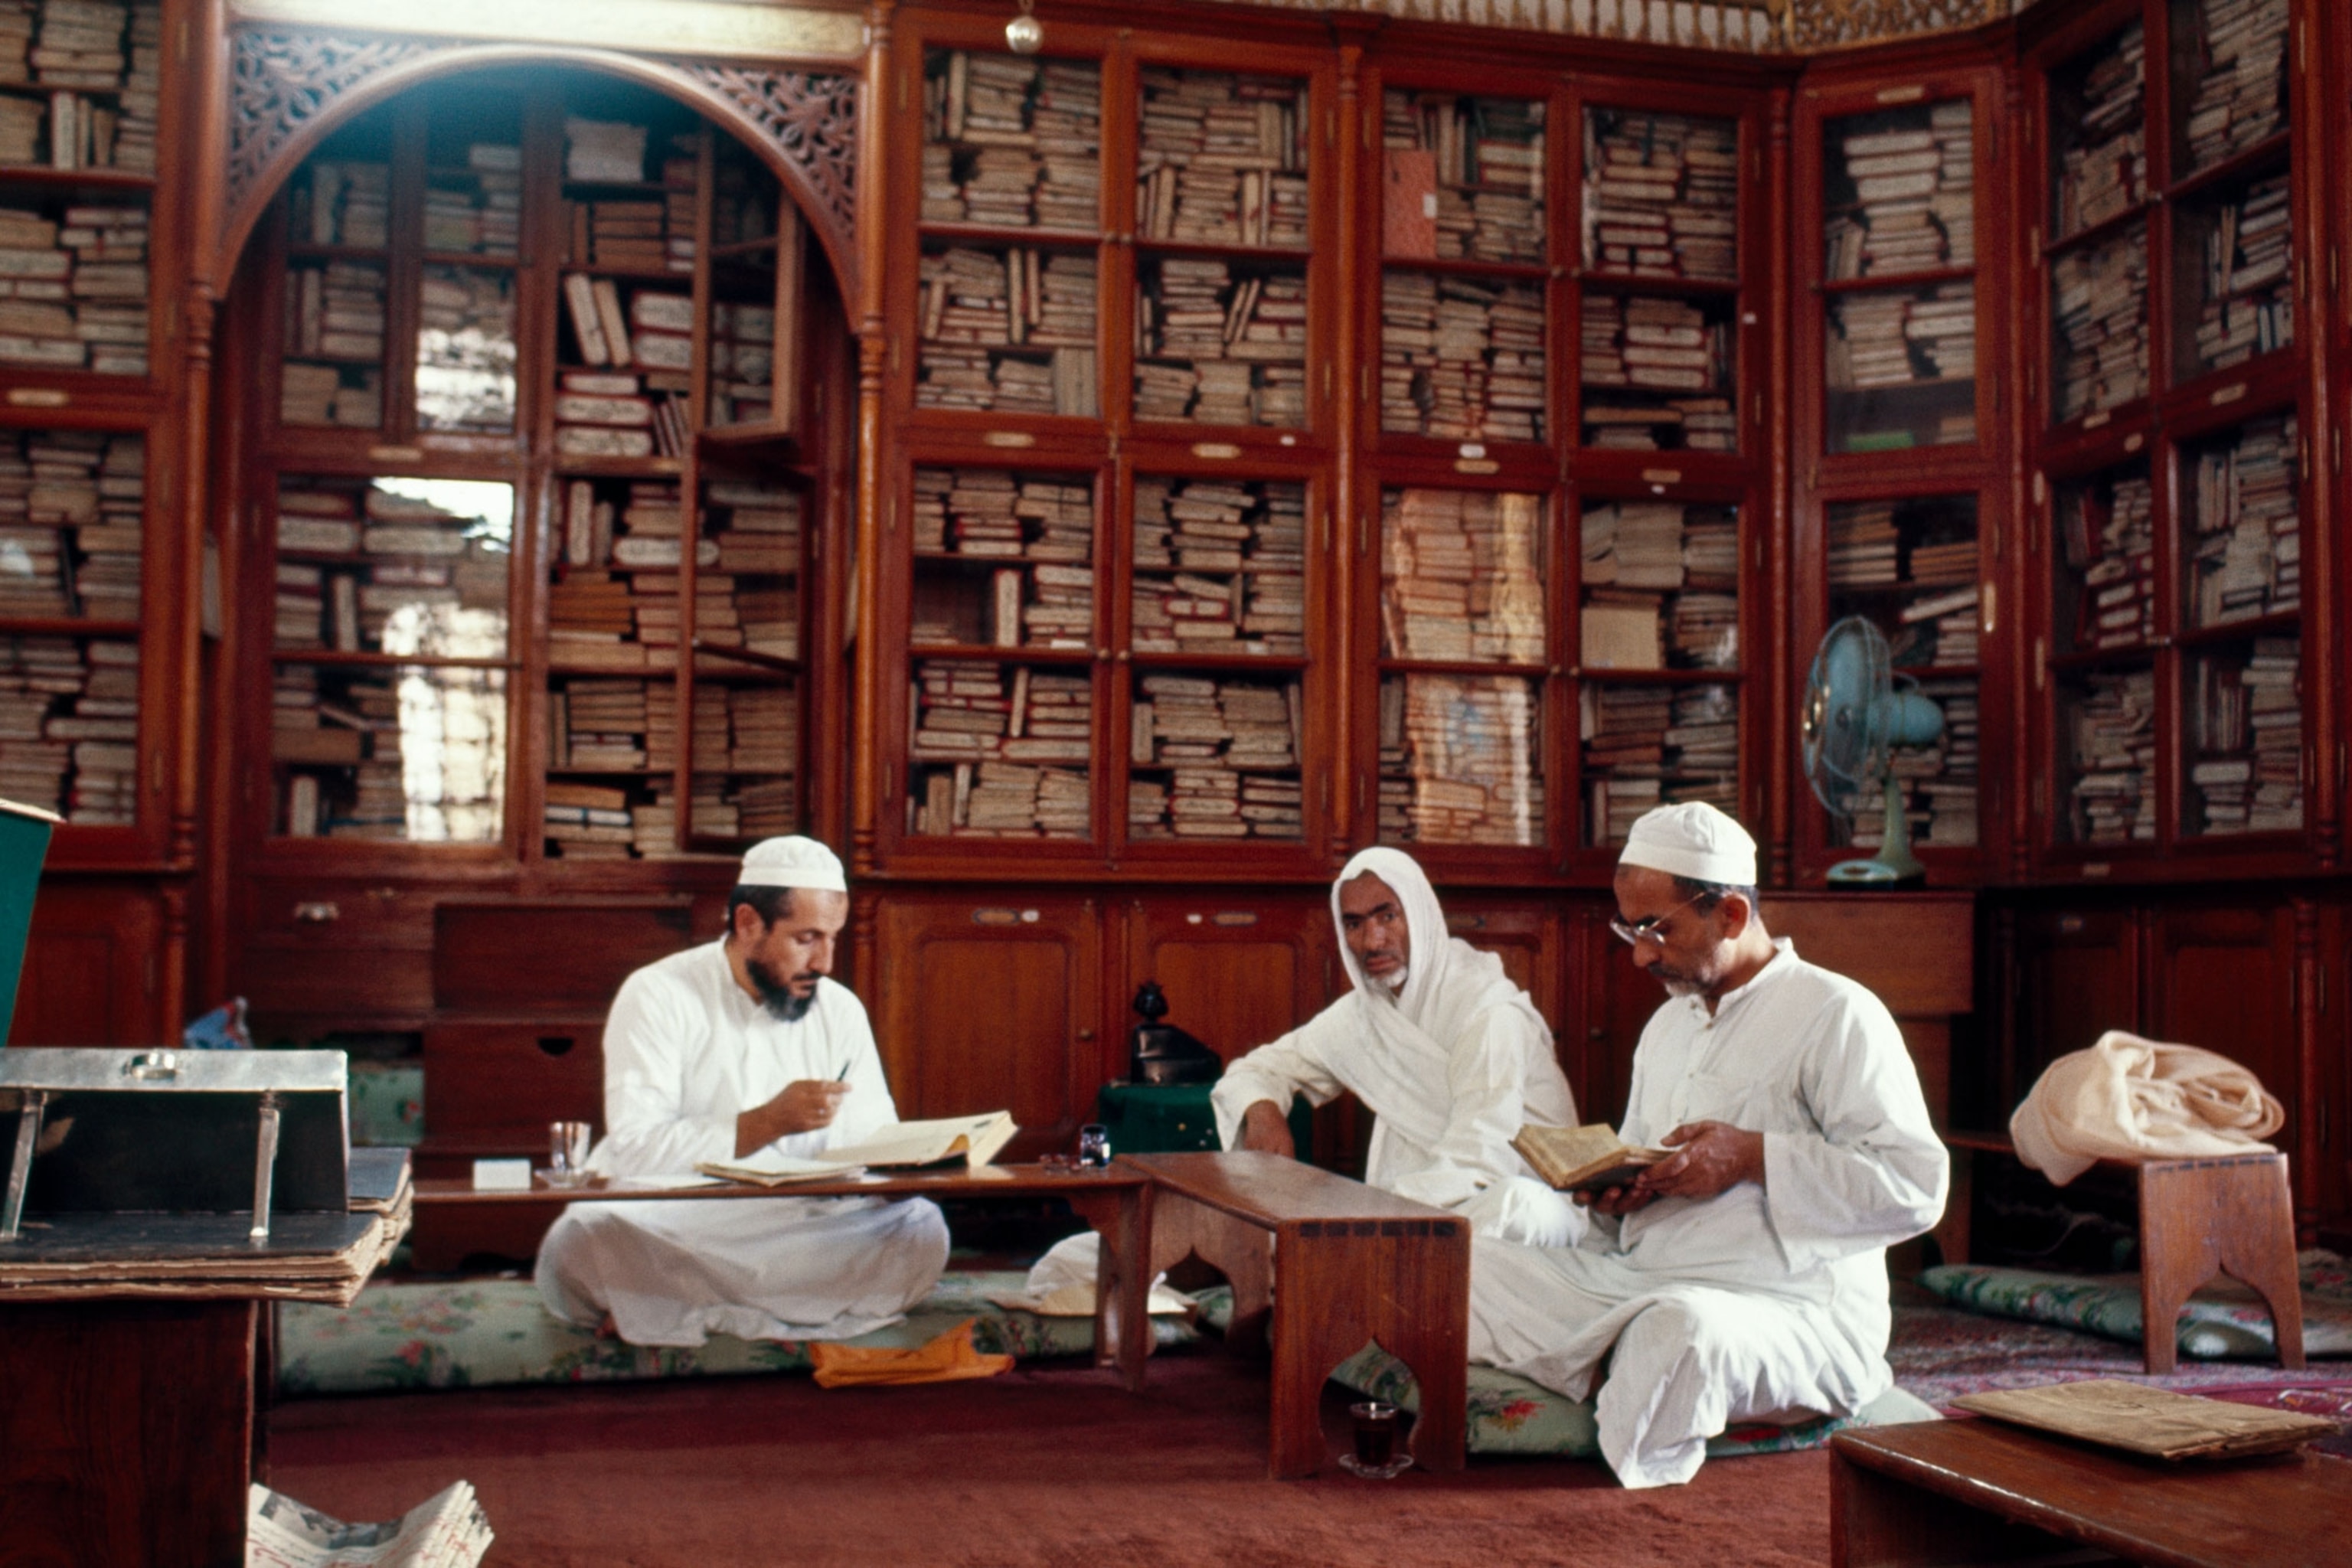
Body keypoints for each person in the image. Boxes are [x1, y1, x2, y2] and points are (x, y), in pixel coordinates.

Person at [1468, 802, 1946, 1488]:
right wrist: (1617, 1194)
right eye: (1629, 928)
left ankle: (1611, 1370)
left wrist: (1753, 1156)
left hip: (1783, 1309)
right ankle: (1608, 1359)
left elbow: (1916, 1189)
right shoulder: (1667, 1027)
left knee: (1680, 1335)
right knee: (1469, 1265)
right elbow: (1636, 1171)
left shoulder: (1838, 1014)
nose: (1639, 954)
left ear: (1731, 914)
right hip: (1640, 1280)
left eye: (1656, 928)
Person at [1025, 847, 1579, 1300]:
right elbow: (1257, 1069)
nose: (1373, 941)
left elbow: (1479, 1161)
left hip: (1494, 1202)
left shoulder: (1489, 1012)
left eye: (1388, 915)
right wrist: (1264, 1111)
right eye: (1356, 924)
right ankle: (1316, 1269)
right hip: (1392, 1217)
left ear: (1423, 916)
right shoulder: (1364, 1016)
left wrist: (1348, 1217)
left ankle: (1313, 1271)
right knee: (1116, 1252)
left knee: (1513, 1212)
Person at [536, 836, 949, 1347]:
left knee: (923, 1230)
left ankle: (677, 1311)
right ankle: (775, 1313)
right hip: (680, 1218)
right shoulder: (658, 994)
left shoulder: (838, 1009)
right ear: (749, 923)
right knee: (584, 1238)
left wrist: (903, 1169)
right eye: (806, 938)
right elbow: (637, 1149)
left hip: (802, 1221)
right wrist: (764, 1124)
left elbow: (873, 1136)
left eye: (833, 939)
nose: (824, 962)